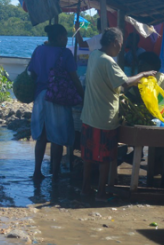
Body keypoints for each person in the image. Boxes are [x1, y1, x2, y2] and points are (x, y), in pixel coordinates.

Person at [80, 28, 156, 199]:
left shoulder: (94, 56)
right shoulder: (108, 62)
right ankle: (101, 191)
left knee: (88, 156)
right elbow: (126, 82)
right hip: (104, 118)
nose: (121, 48)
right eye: (120, 45)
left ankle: (85, 188)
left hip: (89, 115)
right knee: (105, 158)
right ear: (114, 43)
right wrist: (144, 74)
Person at [28, 24, 83, 181]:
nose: (66, 40)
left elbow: (32, 73)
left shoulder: (38, 50)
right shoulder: (64, 53)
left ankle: (37, 172)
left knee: (42, 136)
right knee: (57, 138)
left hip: (40, 97)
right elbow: (74, 79)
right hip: (57, 98)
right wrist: (84, 97)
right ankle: (56, 173)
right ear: (60, 37)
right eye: (66, 37)